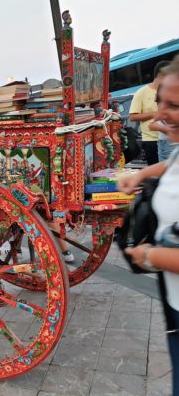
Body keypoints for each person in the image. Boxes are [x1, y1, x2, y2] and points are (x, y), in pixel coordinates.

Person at [119, 56, 179, 395]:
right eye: (161, 102)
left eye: (173, 105)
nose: (159, 115)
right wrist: (141, 174)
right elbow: (169, 165)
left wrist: (148, 256)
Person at [129, 61, 170, 165]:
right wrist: (154, 114)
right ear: (160, 75)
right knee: (157, 176)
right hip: (151, 140)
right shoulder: (141, 92)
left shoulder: (171, 91)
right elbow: (132, 117)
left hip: (171, 139)